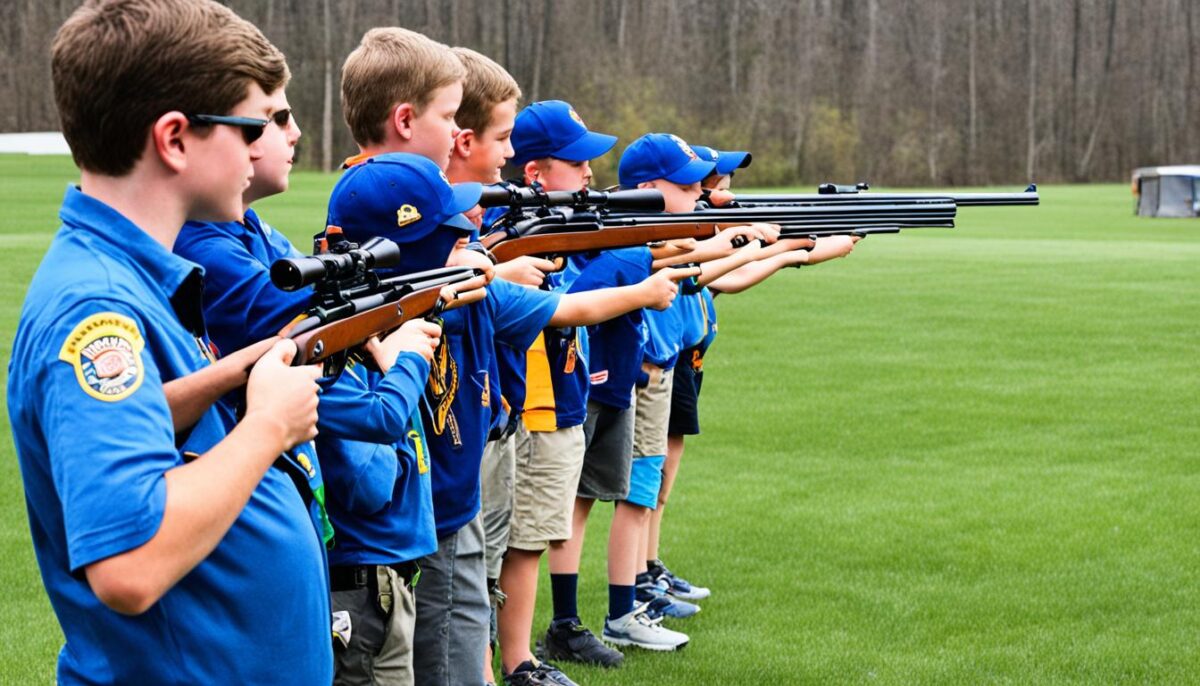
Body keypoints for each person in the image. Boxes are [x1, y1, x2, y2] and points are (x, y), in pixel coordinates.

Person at [6, 1, 330, 682]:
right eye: (249, 128)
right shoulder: (96, 309)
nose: (258, 148)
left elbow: (145, 420)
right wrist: (268, 424)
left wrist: (231, 373)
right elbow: (130, 567)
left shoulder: (131, 274)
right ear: (175, 138)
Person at [173, 82, 455, 685]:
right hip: (312, 563)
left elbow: (324, 308)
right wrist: (401, 343)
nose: (294, 133)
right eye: (271, 120)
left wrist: (385, 319)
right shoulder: (209, 250)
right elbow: (298, 327)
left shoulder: (256, 233)